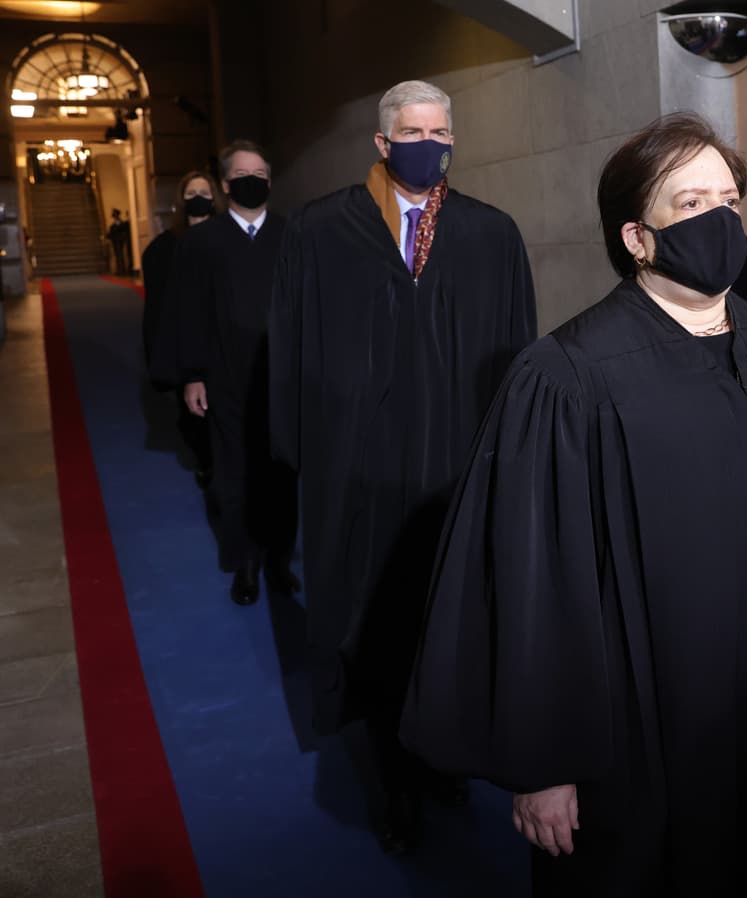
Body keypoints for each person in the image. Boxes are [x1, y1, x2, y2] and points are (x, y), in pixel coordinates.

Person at [400, 112, 747, 897]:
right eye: (688, 203)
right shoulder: (566, 378)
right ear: (637, 237)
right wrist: (544, 764)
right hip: (662, 738)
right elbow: (536, 579)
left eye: (728, 199)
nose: (717, 217)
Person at [268, 80, 536, 854]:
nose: (431, 142)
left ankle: (443, 758)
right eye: (415, 130)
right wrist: (303, 457)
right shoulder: (323, 231)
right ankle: (393, 780)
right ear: (384, 143)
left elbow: (517, 353)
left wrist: (509, 460)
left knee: (451, 626)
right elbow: (289, 353)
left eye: (442, 129)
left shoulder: (491, 234)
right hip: (360, 479)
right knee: (376, 630)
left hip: (457, 475)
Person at [176, 140, 298, 606]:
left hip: (283, 379)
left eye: (262, 173)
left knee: (282, 475)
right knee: (235, 476)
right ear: (226, 185)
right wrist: (192, 374)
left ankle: (280, 561)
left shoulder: (292, 235)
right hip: (226, 380)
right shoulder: (203, 243)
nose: (255, 180)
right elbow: (189, 313)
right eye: (245, 173)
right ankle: (244, 564)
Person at [142, 171, 220, 489]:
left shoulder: (228, 236)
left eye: (204, 191)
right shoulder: (164, 248)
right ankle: (206, 463)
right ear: (180, 201)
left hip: (225, 340)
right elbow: (158, 309)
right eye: (191, 193)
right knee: (194, 416)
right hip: (186, 342)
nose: (198, 198)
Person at [107, 208, 132, 275]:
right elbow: (110, 234)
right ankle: (120, 270)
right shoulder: (113, 225)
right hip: (115, 241)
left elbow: (123, 232)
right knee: (118, 256)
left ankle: (123, 270)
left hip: (121, 241)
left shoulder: (122, 224)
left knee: (122, 255)